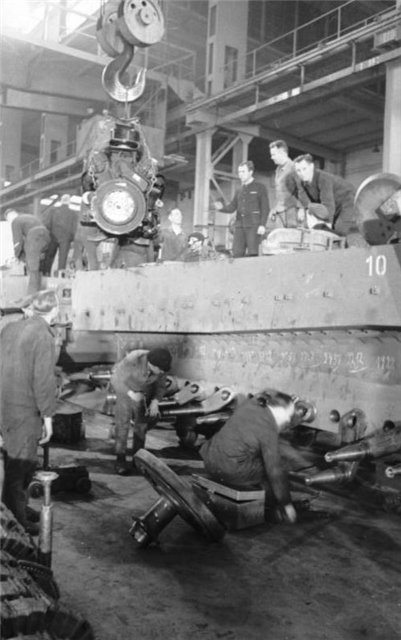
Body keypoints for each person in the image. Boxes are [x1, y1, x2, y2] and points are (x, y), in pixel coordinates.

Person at [0, 289, 58, 535]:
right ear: (55, 310)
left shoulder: (9, 328)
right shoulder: (43, 335)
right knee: (21, 465)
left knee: (12, 461)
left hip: (4, 406)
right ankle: (16, 521)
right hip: (23, 410)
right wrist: (48, 418)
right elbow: (43, 381)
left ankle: (17, 507)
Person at [200, 390, 301, 524]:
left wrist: (286, 400)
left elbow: (266, 393)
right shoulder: (268, 429)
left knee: (255, 454)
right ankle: (273, 509)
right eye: (288, 415)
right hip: (229, 470)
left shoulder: (252, 405)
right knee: (278, 467)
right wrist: (286, 502)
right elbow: (274, 471)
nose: (288, 419)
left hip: (210, 461)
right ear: (281, 411)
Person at [111, 348, 172, 475]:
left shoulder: (161, 367)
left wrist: (155, 401)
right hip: (125, 392)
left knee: (141, 428)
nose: (162, 372)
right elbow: (116, 379)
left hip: (144, 395)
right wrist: (131, 394)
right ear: (152, 365)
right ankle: (120, 459)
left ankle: (137, 460)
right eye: (160, 369)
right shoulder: (133, 361)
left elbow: (161, 386)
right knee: (122, 426)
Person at [292, 154, 358, 236]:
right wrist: (302, 208)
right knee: (325, 231)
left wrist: (327, 225)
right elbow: (305, 202)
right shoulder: (302, 183)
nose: (302, 173)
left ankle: (340, 241)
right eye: (298, 170)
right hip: (333, 203)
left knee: (338, 231)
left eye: (304, 169)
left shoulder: (323, 179)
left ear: (311, 167)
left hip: (347, 200)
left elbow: (328, 208)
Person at [215, 160, 269, 257]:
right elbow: (232, 207)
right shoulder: (239, 190)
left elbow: (265, 208)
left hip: (254, 226)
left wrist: (262, 225)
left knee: (253, 254)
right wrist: (221, 208)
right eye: (239, 172)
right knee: (237, 253)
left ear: (250, 172)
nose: (240, 174)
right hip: (239, 226)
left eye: (243, 172)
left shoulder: (260, 187)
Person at [5, 209, 51, 295]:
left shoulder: (15, 221)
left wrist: (16, 256)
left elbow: (17, 242)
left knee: (32, 267)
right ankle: (39, 291)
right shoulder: (29, 217)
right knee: (36, 263)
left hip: (34, 236)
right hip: (46, 236)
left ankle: (31, 295)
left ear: (9, 218)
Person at [42, 194, 79, 275]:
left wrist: (49, 234)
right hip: (66, 239)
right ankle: (60, 275)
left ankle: (46, 273)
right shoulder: (73, 213)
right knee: (63, 258)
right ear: (69, 202)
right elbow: (75, 228)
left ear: (61, 201)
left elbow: (47, 224)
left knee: (49, 256)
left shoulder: (53, 210)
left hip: (52, 237)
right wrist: (71, 238)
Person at [269, 140, 299, 228]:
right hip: (280, 212)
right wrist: (275, 209)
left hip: (292, 212)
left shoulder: (294, 168)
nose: (271, 157)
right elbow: (279, 193)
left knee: (291, 235)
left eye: (273, 154)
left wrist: (301, 209)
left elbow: (302, 190)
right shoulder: (278, 170)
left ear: (282, 153)